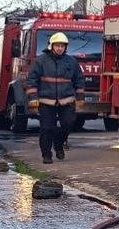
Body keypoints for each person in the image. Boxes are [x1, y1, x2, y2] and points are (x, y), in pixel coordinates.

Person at [25, 32, 85, 165]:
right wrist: (33, 98)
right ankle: (47, 154)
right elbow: (32, 81)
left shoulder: (72, 62)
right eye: (57, 45)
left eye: (62, 46)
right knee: (47, 128)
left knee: (68, 124)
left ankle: (58, 144)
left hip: (66, 100)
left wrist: (80, 98)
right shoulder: (40, 61)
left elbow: (79, 81)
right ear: (51, 46)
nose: (59, 48)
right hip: (46, 101)